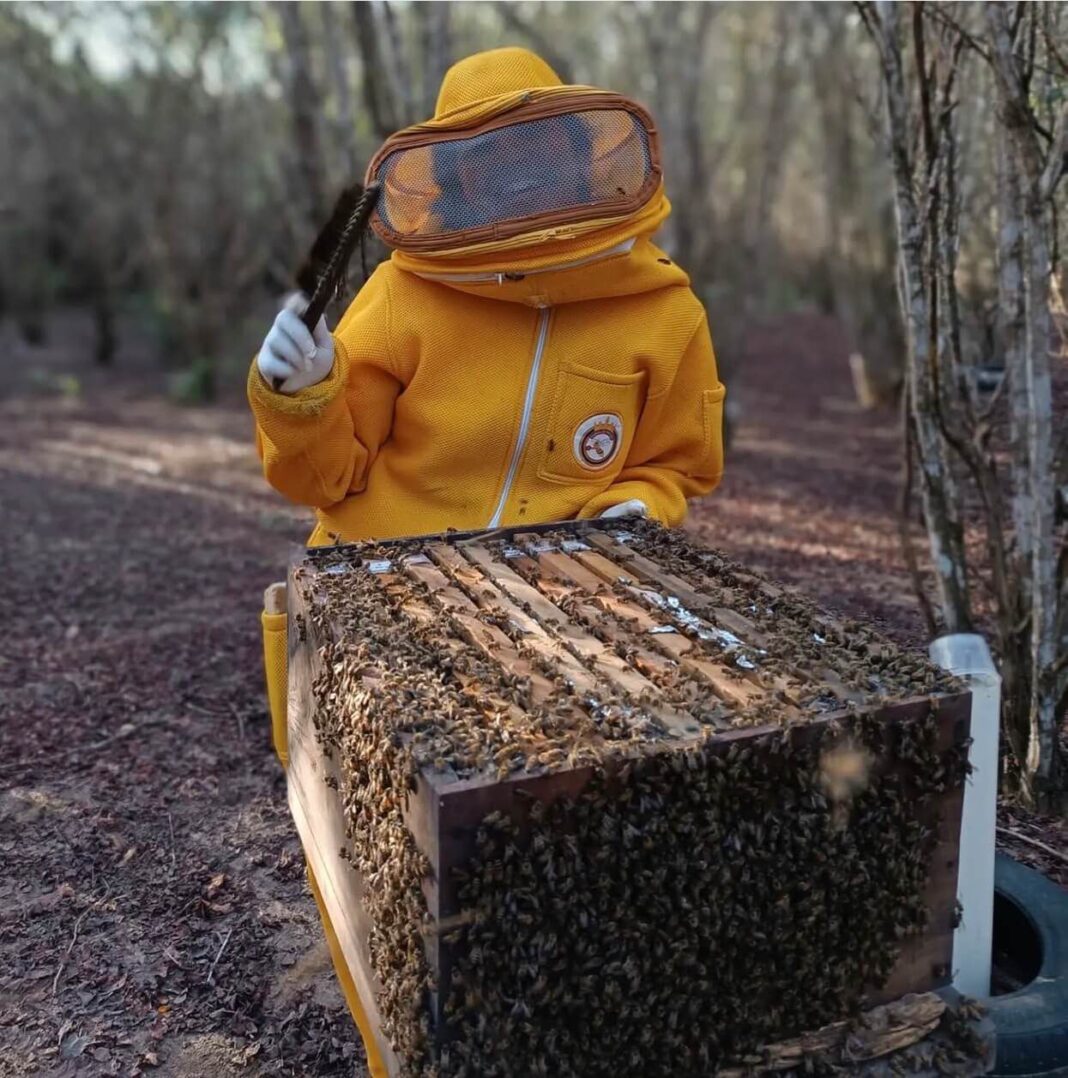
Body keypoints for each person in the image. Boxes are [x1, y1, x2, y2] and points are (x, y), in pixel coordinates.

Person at [250, 47, 726, 1074]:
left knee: (540, 887)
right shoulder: (399, 300)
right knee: (377, 887)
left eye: (535, 158)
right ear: (453, 182)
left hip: (555, 630)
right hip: (373, 619)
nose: (515, 183)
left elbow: (676, 464)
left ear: (578, 154)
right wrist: (303, 397)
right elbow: (326, 477)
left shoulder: (665, 313)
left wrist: (633, 513)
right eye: (489, 165)